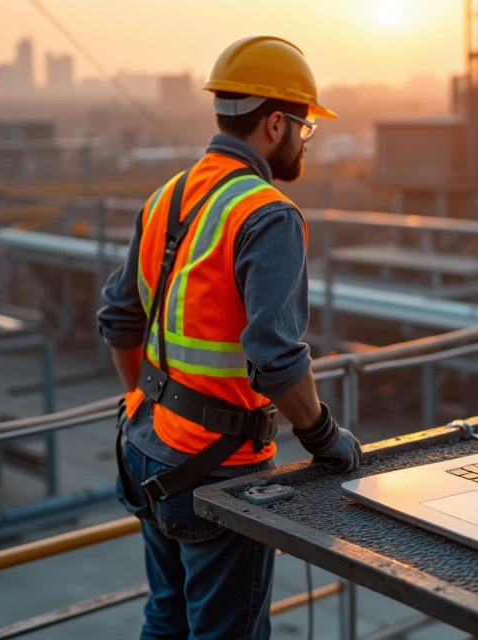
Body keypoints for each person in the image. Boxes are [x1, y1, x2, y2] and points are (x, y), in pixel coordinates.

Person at [97, 35, 361, 640]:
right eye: (304, 127)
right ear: (275, 123)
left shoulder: (168, 195)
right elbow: (276, 359)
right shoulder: (268, 214)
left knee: (165, 619)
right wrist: (325, 439)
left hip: (144, 446)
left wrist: (148, 400)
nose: (304, 141)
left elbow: (118, 319)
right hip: (216, 474)